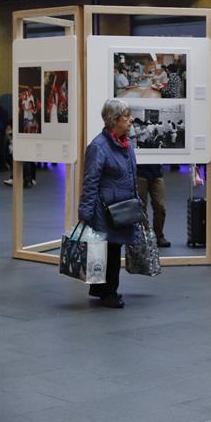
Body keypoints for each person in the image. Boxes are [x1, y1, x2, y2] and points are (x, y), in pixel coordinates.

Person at [78, 98, 140, 309]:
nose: (130, 120)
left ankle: (99, 288)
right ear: (114, 121)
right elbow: (91, 181)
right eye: (126, 117)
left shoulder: (126, 143)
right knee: (111, 251)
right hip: (105, 210)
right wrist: (85, 211)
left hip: (121, 208)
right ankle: (109, 293)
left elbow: (131, 175)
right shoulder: (98, 146)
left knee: (110, 249)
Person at [137, 163, 170, 247]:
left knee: (160, 206)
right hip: (139, 172)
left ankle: (158, 235)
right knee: (141, 207)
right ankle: (146, 236)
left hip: (157, 173)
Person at [0, 98, 7, 171]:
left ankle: (2, 166)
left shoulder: (2, 112)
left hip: (0, 133)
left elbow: (3, 123)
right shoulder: (2, 111)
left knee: (1, 150)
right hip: (0, 133)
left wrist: (0, 130)